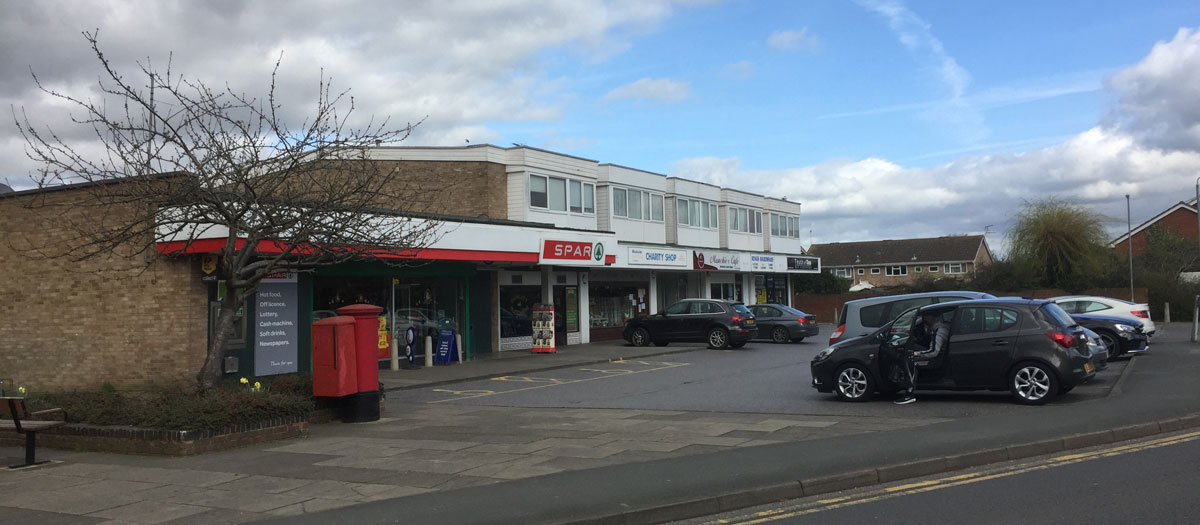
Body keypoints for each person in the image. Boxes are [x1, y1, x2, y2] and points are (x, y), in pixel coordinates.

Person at [895, 312, 948, 405]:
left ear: (932, 317)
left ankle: (909, 393)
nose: (923, 319)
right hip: (937, 355)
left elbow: (934, 352)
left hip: (936, 359)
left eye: (925, 317)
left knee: (910, 361)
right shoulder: (938, 328)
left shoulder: (939, 331)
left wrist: (915, 354)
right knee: (910, 349)